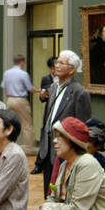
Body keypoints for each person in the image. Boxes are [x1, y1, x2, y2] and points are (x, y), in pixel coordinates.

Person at [34, 50, 91, 194]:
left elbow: (82, 126)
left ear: (72, 69)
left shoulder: (79, 92)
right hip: (48, 147)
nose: (57, 66)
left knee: (62, 190)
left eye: (61, 63)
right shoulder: (53, 88)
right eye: (57, 62)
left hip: (66, 150)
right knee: (48, 189)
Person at [0, 55, 38, 157]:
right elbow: (30, 89)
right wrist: (40, 90)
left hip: (10, 100)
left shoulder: (7, 73)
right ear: (22, 62)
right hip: (20, 100)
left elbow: (5, 88)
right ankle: (29, 148)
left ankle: (7, 145)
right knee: (27, 125)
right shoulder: (23, 74)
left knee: (9, 124)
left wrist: (8, 98)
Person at [32, 55, 57, 174]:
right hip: (49, 112)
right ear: (51, 68)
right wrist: (43, 95)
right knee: (45, 137)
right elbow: (42, 98)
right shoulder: (46, 79)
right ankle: (39, 164)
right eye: (55, 66)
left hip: (59, 112)